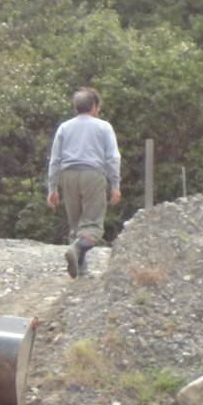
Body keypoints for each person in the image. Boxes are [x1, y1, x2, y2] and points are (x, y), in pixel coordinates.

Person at [46, 87, 121, 278]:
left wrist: (52, 188)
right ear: (94, 106)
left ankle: (81, 269)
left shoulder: (65, 127)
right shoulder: (103, 126)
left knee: (77, 225)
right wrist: (115, 185)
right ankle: (77, 249)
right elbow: (113, 158)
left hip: (68, 176)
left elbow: (55, 159)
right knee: (93, 226)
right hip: (92, 175)